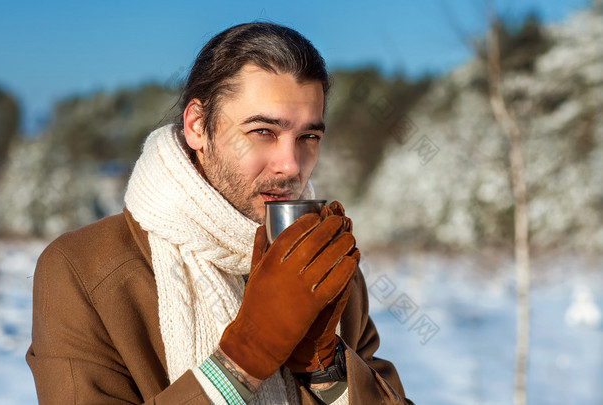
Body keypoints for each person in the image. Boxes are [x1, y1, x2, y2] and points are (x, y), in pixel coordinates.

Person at [26, 22, 414, 405]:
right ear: (198, 126)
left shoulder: (323, 262)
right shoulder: (81, 270)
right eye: (263, 131)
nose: (291, 165)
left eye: (308, 137)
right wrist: (242, 360)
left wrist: (328, 373)